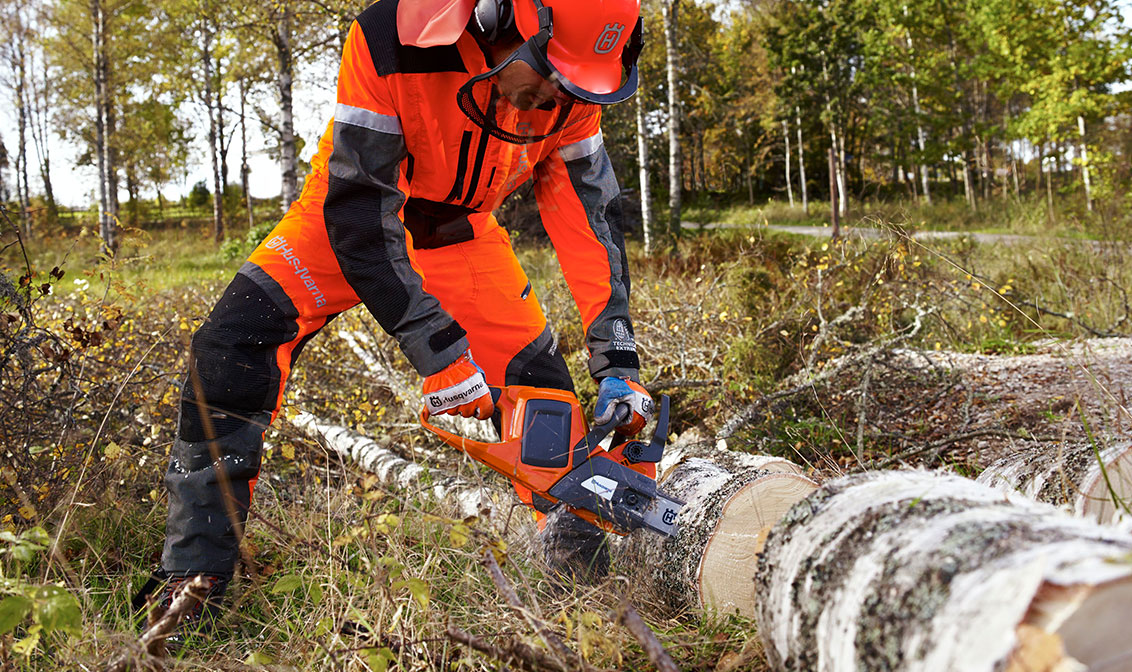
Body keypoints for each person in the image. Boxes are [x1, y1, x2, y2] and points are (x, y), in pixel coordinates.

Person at [138, 0, 653, 643]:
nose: (553, 98)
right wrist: (438, 353)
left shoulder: (578, 82)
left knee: (545, 394)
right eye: (547, 75)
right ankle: (197, 577)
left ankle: (586, 592)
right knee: (229, 348)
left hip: (460, 234)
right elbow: (358, 209)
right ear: (498, 19)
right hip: (349, 219)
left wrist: (618, 358)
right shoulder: (391, 39)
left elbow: (590, 218)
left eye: (571, 87)